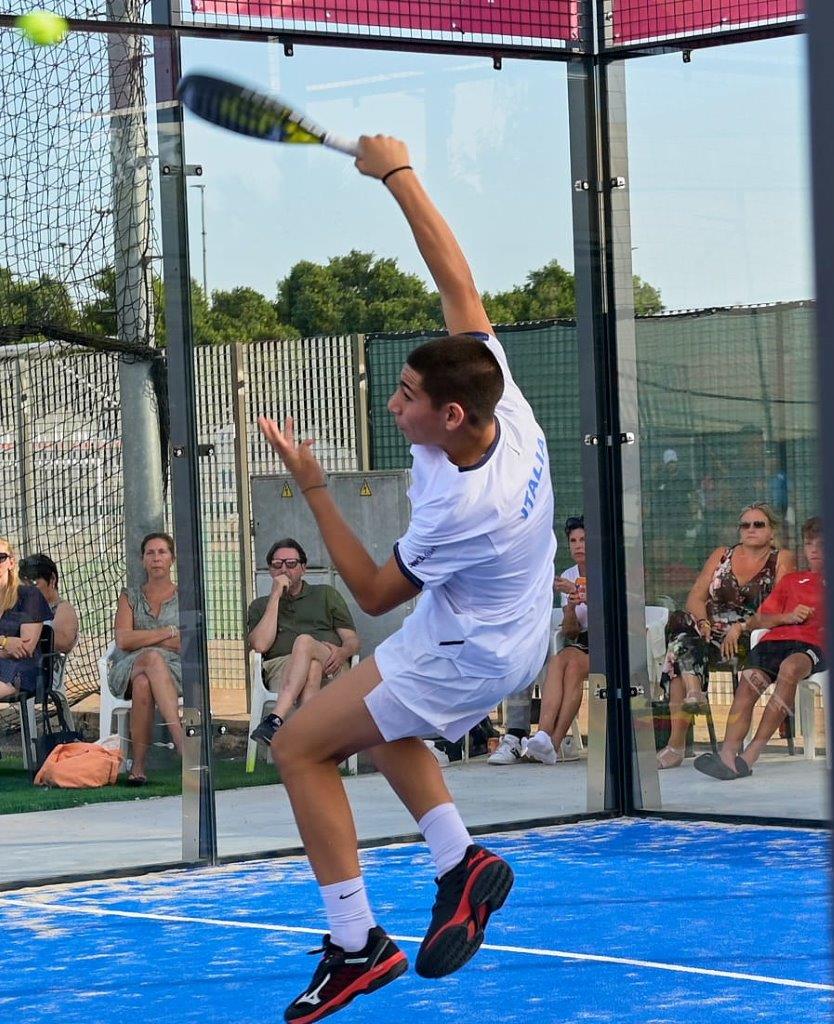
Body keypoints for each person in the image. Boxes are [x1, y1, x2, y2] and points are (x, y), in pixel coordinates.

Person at [257, 135, 556, 1023]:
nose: (394, 404)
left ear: (451, 414)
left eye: (406, 396)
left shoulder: (464, 508)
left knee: (299, 746)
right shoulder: (503, 400)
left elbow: (375, 594)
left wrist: (313, 486)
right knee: (382, 720)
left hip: (468, 647)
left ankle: (357, 944)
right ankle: (460, 860)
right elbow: (455, 276)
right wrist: (398, 174)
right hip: (504, 624)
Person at [655, 503, 795, 770]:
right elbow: (696, 598)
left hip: (749, 636)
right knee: (682, 628)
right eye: (745, 525)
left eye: (758, 524)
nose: (751, 529)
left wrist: (741, 627)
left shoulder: (781, 559)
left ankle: (676, 744)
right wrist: (704, 622)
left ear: (772, 531)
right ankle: (693, 691)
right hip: (709, 634)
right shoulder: (722, 555)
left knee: (678, 655)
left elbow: (778, 604)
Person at [694, 516, 825, 780]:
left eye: (821, 544)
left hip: (813, 645)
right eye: (809, 544)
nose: (813, 550)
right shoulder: (793, 581)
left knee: (789, 669)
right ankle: (727, 757)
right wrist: (786, 617)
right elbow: (758, 620)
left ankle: (750, 755)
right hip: (774, 642)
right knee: (749, 682)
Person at [248, 538, 360, 742]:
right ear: (271, 571)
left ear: (303, 568)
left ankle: (275, 719)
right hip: (283, 667)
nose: (284, 570)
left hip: (331, 662)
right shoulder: (260, 605)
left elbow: (352, 640)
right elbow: (261, 645)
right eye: (277, 565)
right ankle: (308, 740)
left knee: (304, 642)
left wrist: (342, 653)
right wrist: (275, 597)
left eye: (291, 564)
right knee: (312, 667)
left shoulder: (326, 595)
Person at [107, 532, 182, 785]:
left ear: (172, 559)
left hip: (174, 670)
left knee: (144, 683)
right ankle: (181, 741)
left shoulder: (185, 596)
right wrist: (167, 633)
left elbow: (185, 643)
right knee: (150, 660)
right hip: (129, 666)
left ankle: (138, 766)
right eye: (150, 553)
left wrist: (143, 637)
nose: (156, 558)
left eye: (162, 552)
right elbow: (123, 640)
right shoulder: (129, 596)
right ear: (142, 560)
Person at [525, 515, 587, 765]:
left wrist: (579, 592)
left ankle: (555, 741)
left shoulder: (605, 570)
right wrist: (570, 608)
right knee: (558, 662)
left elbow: (611, 617)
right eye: (573, 541)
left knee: (572, 665)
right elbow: (570, 631)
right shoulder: (569, 574)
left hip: (607, 641)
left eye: (583, 540)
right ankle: (543, 735)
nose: (578, 546)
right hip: (579, 641)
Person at [0, 538, 51, 700]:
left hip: (20, 670)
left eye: (1, 557)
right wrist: (4, 642)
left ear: (11, 562)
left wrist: (9, 647)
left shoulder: (29, 595)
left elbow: (24, 649)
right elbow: (10, 647)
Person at [18, 553, 79, 656]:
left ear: (52, 579)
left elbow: (64, 642)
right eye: (24, 585)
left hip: (44, 665)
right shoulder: (21, 607)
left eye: (34, 584)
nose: (28, 590)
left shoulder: (62, 608)